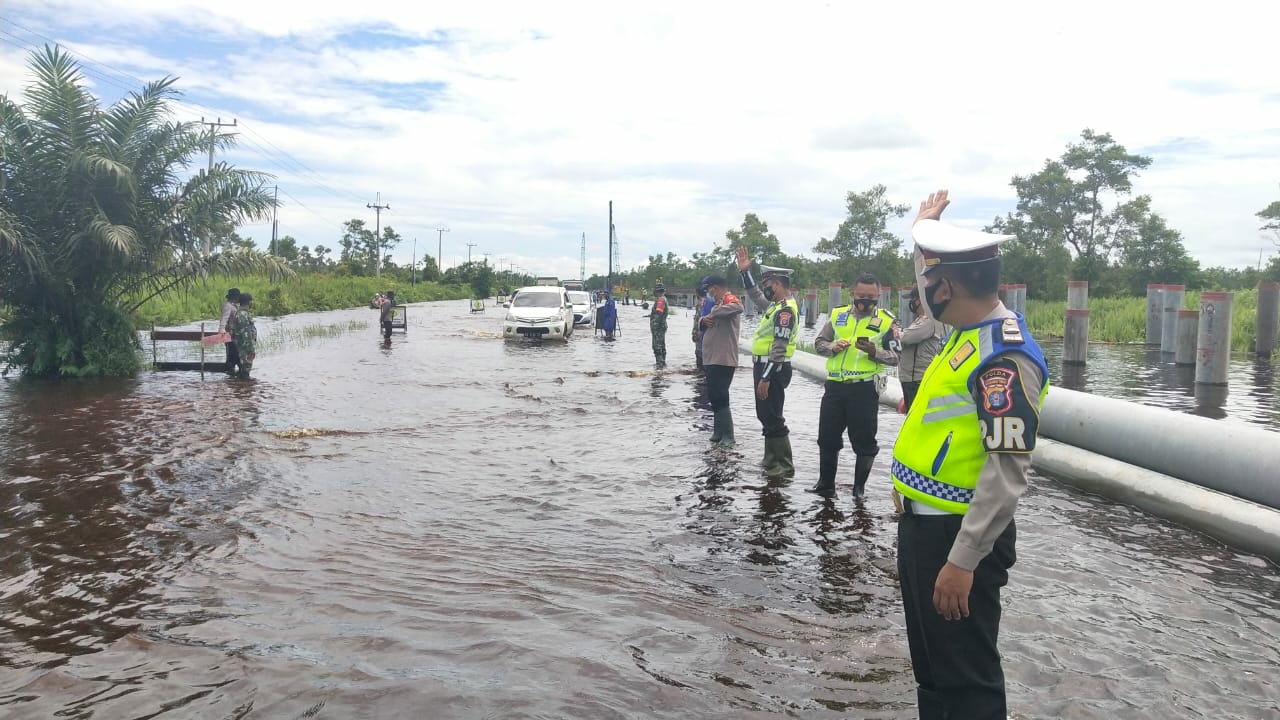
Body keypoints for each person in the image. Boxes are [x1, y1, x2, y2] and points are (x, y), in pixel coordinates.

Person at [893, 190, 1049, 719]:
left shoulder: (1003, 354)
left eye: (931, 283)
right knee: (934, 673)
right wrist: (922, 231)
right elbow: (932, 280)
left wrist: (962, 562)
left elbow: (1007, 470)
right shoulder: (961, 330)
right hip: (924, 527)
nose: (923, 292)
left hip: (958, 537)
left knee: (967, 680)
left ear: (951, 287)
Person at [807, 273, 899, 499]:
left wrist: (874, 352)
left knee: (864, 441)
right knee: (827, 438)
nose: (865, 300)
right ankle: (826, 485)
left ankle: (859, 490)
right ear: (852, 294)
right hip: (835, 387)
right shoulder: (838, 315)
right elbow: (819, 343)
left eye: (871, 297)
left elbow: (896, 357)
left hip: (864, 389)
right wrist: (833, 347)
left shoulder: (887, 321)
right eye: (861, 295)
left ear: (879, 296)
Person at [735, 247, 799, 477]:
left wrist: (765, 377)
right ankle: (770, 458)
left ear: (779, 284)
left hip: (773, 368)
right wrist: (745, 272)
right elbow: (754, 295)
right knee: (765, 414)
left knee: (772, 415)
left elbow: (780, 348)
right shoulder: (775, 307)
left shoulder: (786, 312)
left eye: (769, 285)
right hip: (763, 366)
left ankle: (783, 464)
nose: (766, 289)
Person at [698, 275, 743, 447]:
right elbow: (702, 321)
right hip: (711, 358)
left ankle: (728, 436)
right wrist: (704, 320)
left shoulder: (729, 300)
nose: (708, 292)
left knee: (722, 395)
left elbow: (738, 307)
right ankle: (718, 432)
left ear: (715, 288)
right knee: (714, 396)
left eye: (709, 288)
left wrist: (715, 313)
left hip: (723, 359)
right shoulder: (716, 303)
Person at [898, 285, 948, 413]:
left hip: (919, 378)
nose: (912, 302)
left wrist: (897, 333)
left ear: (922, 299)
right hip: (909, 378)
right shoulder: (919, 319)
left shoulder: (930, 320)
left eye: (914, 298)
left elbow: (907, 338)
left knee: (919, 415)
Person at [227, 292, 258, 379]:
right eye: (251, 301)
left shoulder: (240, 313)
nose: (252, 303)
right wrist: (251, 349)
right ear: (248, 302)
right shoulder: (242, 314)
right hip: (244, 349)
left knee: (243, 372)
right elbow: (246, 333)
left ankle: (240, 389)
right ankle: (245, 390)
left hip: (242, 347)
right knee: (245, 372)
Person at [692, 282, 714, 371]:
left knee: (701, 362)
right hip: (705, 339)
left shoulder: (703, 303)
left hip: (702, 338)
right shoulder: (709, 301)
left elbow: (698, 321)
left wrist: (694, 334)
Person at [220, 288, 241, 376]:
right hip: (230, 335)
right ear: (235, 297)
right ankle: (232, 375)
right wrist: (222, 329)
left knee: (233, 355)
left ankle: (232, 377)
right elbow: (224, 318)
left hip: (234, 335)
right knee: (233, 354)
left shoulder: (233, 306)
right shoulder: (228, 306)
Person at [648, 282, 669, 366]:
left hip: (658, 327)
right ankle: (662, 364)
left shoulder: (660, 300)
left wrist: (654, 326)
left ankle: (660, 364)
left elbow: (658, 314)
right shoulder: (663, 299)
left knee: (657, 346)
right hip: (662, 326)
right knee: (661, 345)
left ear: (657, 291)